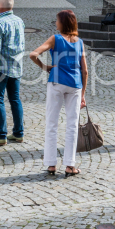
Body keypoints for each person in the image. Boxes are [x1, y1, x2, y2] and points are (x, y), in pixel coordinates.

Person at [30, 10, 88, 177]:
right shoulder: (80, 42)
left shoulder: (55, 39)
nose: (56, 23)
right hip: (75, 85)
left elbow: (33, 54)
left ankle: (51, 165)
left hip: (56, 82)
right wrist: (83, 94)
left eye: (57, 21)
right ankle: (70, 165)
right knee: (72, 125)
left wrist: (45, 67)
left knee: (52, 123)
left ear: (62, 23)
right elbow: (85, 71)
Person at [0, 0, 26, 146]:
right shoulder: (19, 21)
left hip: (1, 69)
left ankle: (1, 135)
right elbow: (22, 46)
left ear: (1, 5)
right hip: (16, 67)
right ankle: (18, 133)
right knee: (15, 99)